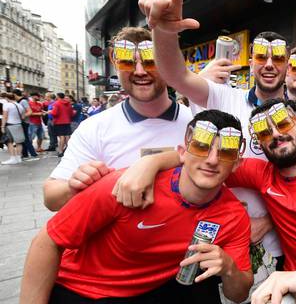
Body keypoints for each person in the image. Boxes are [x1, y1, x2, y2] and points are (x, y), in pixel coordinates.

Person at [135, 0, 296, 286]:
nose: (268, 64)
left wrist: (267, 222)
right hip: (209, 239)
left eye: (278, 57)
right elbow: (176, 76)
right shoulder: (222, 95)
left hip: (276, 246)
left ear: (287, 64)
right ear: (250, 61)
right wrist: (165, 32)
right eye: (261, 56)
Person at [118, 99, 296, 304]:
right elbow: (199, 161)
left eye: (284, 124)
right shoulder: (260, 173)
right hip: (286, 282)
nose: (275, 134)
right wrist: (149, 162)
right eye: (264, 133)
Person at [20, 109, 253, 303]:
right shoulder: (128, 185)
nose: (212, 160)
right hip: (84, 289)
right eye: (202, 147)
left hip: (156, 289)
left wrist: (228, 267)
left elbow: (239, 294)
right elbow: (47, 241)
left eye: (225, 152)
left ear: (236, 164)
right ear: (182, 152)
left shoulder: (233, 215)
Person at [43, 26, 193, 212]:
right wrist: (74, 185)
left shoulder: (197, 122)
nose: (140, 71)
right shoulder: (94, 128)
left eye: (150, 61)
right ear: (115, 65)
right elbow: (51, 197)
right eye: (127, 62)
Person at [1, 93, 26, 165]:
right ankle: (18, 158)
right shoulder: (19, 105)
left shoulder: (7, 105)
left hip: (9, 125)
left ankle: (13, 158)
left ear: (7, 98)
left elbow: (5, 117)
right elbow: (23, 116)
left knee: (9, 142)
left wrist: (2, 126)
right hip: (18, 125)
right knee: (19, 142)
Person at [13, 89, 38, 159]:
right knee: (23, 139)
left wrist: (23, 116)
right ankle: (25, 154)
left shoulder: (23, 101)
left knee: (25, 139)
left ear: (15, 94)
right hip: (22, 122)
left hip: (24, 122)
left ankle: (33, 154)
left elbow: (30, 111)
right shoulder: (19, 101)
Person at [51, 92, 75, 157]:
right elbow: (72, 114)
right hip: (67, 122)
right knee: (67, 136)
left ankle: (60, 151)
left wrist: (51, 112)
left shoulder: (57, 103)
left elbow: (54, 113)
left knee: (61, 137)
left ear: (58, 97)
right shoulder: (68, 104)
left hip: (59, 122)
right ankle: (70, 151)